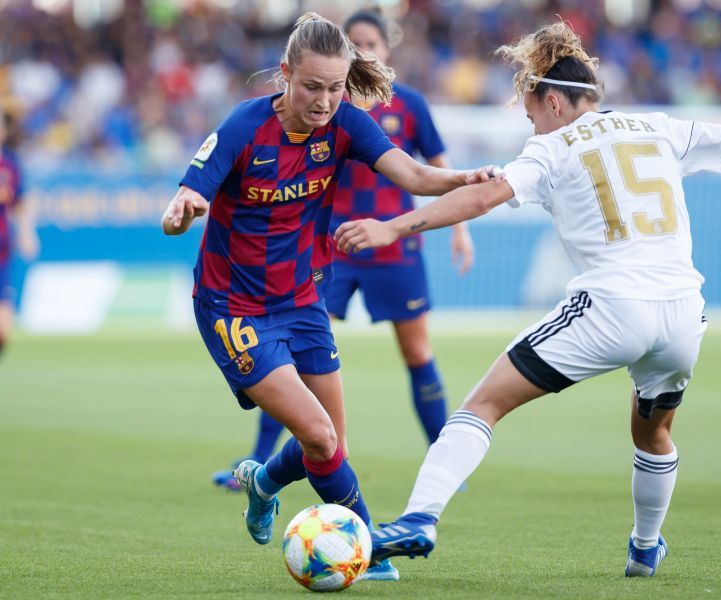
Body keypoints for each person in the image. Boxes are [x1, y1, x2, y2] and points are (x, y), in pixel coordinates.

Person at [334, 21, 721, 577]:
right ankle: (646, 547)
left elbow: (483, 197)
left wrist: (394, 227)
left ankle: (419, 518)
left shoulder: (550, 146)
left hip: (611, 307)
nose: (530, 121)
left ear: (552, 99)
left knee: (482, 405)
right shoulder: (656, 125)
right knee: (653, 431)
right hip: (683, 317)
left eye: (531, 110)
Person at [160, 12, 497, 581]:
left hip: (301, 297)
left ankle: (263, 481)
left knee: (329, 443)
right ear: (286, 74)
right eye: (312, 86)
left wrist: (463, 178)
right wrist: (181, 212)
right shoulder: (244, 126)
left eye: (335, 87)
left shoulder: (346, 123)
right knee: (317, 434)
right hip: (232, 307)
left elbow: (412, 175)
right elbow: (190, 194)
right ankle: (367, 551)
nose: (323, 101)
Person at [210, 10, 475, 493]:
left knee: (416, 351)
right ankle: (260, 460)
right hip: (331, 245)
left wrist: (462, 207)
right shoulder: (317, 112)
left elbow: (427, 169)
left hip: (395, 243)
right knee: (292, 362)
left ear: (386, 48)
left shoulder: (406, 106)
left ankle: (443, 464)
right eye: (355, 45)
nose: (363, 53)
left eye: (370, 43)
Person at [0, 107, 39, 358]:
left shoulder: (11, 165)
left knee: (3, 330)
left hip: (2, 252)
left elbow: (22, 202)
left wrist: (27, 233)